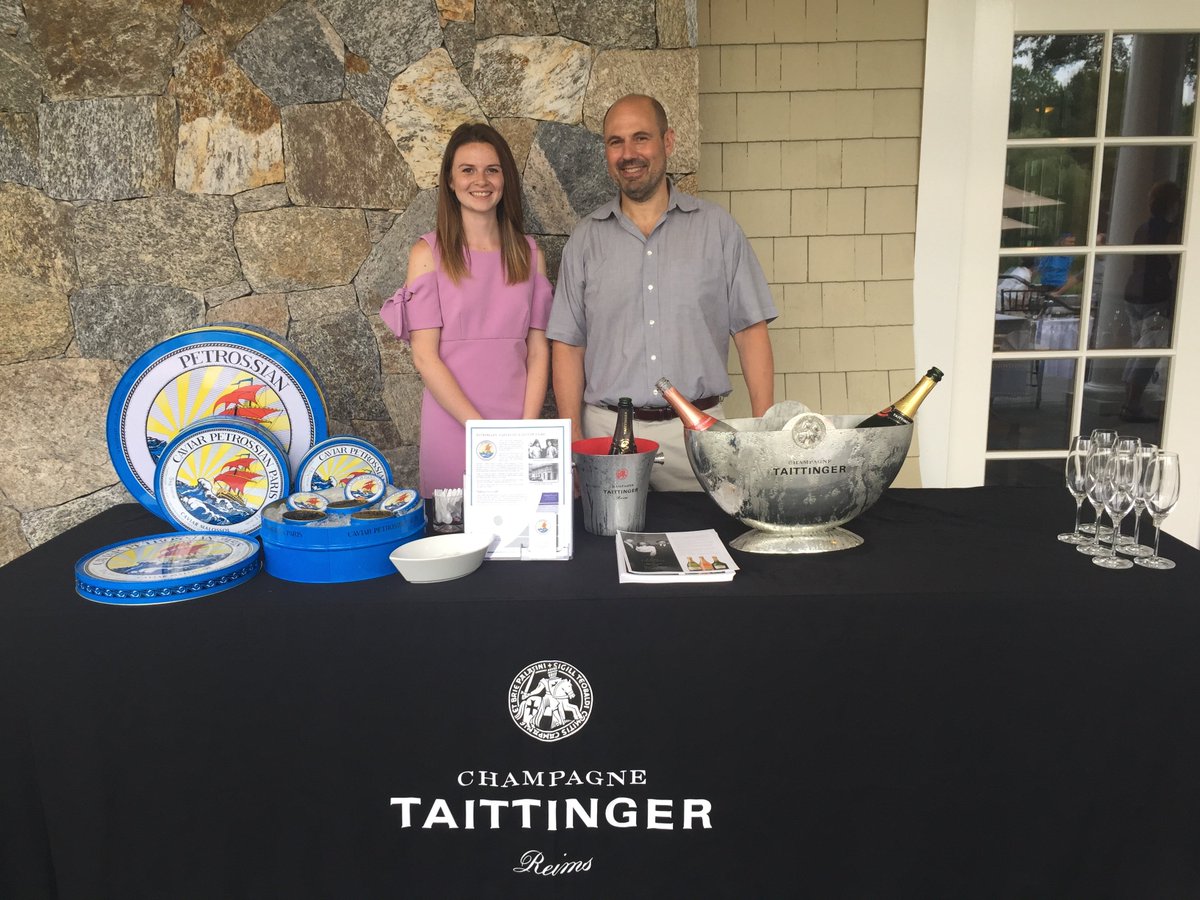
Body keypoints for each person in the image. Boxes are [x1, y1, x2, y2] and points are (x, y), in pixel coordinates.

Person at [547, 94, 777, 491]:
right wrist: (572, 442)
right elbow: (568, 344)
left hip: (699, 436)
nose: (628, 153)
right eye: (615, 142)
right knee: (605, 549)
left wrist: (765, 431)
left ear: (667, 142)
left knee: (704, 550)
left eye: (641, 138)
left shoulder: (717, 230)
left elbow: (750, 330)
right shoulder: (585, 240)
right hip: (605, 438)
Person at [381, 123, 551, 497]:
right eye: (468, 170)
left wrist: (525, 430)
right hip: (454, 428)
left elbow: (539, 350)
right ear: (451, 181)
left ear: (505, 177)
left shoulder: (530, 254)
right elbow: (426, 358)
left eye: (492, 169)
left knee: (523, 547)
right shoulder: (427, 254)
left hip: (517, 428)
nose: (481, 180)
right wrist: (482, 433)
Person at [1121, 180, 1182, 423]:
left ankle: (1129, 403)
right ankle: (1132, 404)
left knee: (1138, 351)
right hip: (1154, 296)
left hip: (1134, 294)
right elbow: (1174, 266)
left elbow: (1138, 263)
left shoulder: (1143, 228)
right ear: (1174, 203)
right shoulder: (1170, 231)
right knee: (1147, 354)